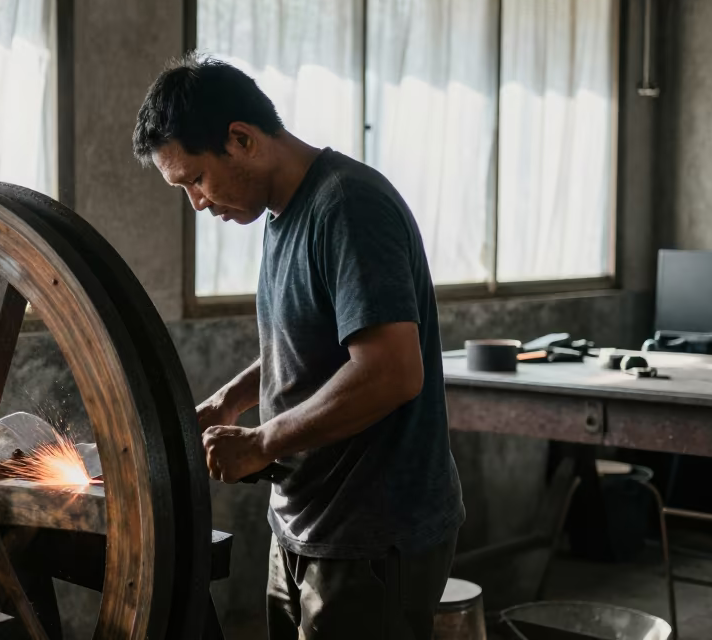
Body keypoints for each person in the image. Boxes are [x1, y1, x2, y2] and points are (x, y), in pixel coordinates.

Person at [133, 55, 464, 640]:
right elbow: (311, 338)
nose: (198, 203)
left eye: (196, 180)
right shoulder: (281, 214)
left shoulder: (349, 206)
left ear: (241, 140)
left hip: (370, 535)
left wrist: (261, 441)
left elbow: (391, 370)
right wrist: (230, 400)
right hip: (305, 521)